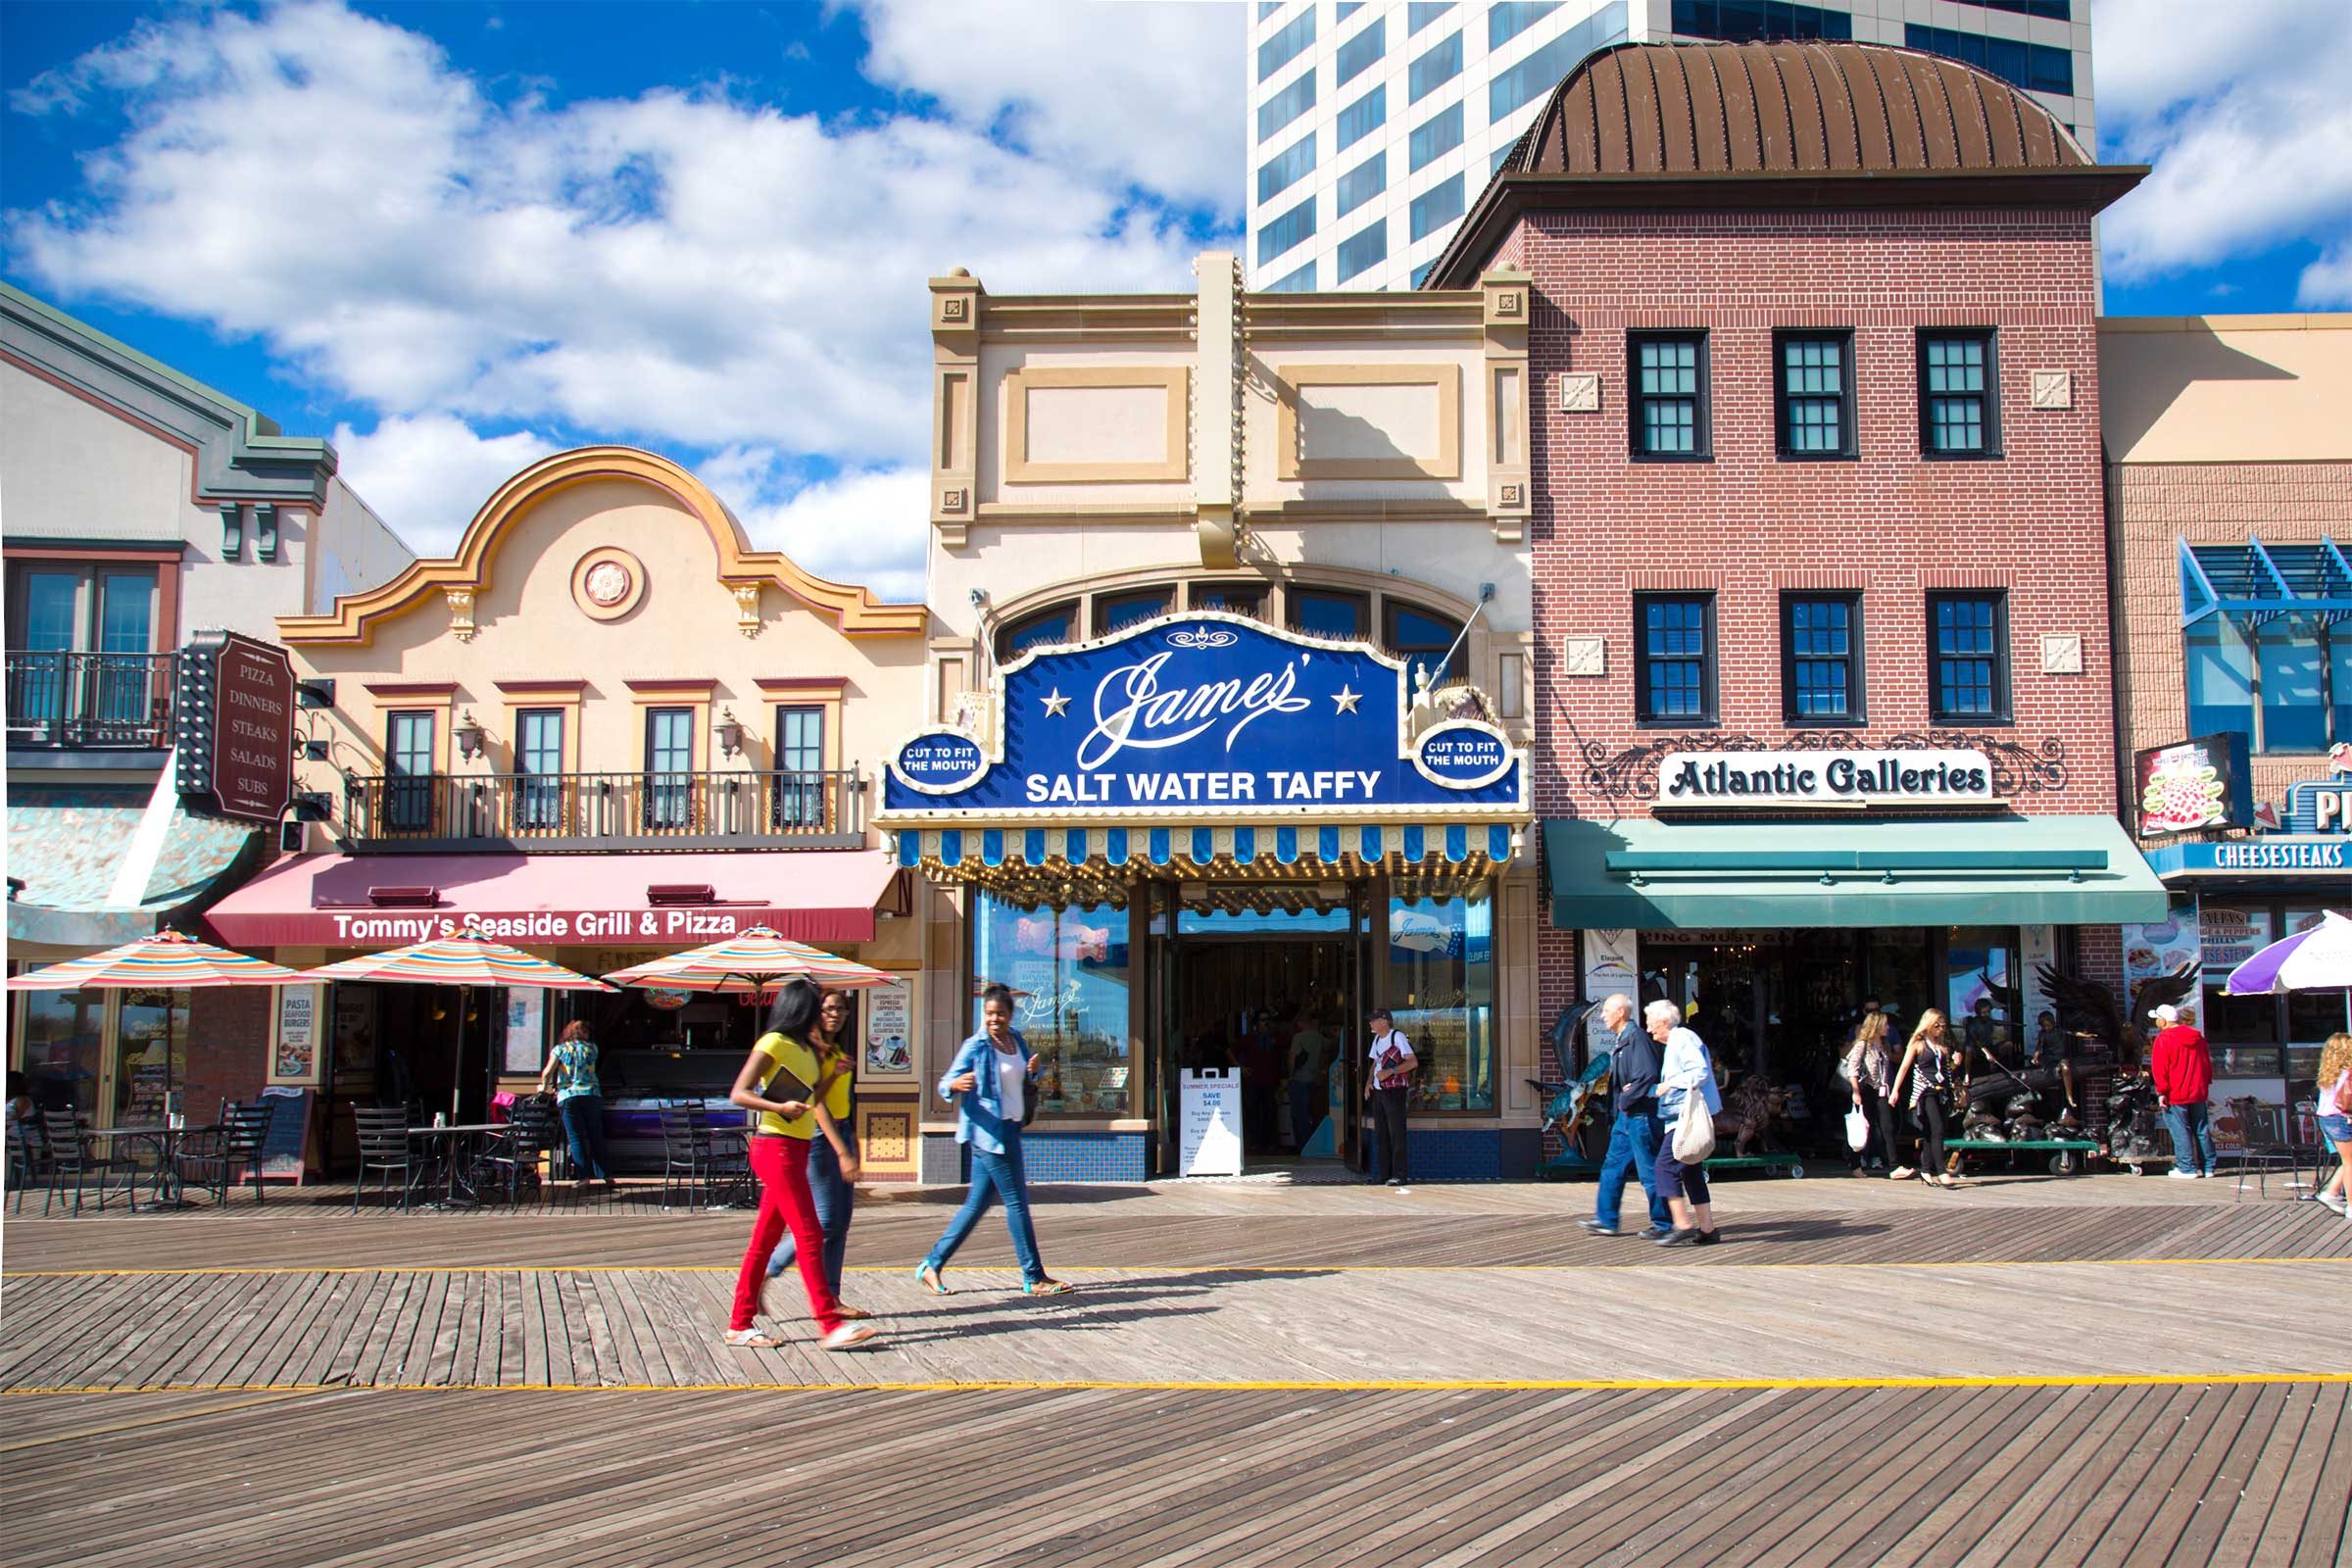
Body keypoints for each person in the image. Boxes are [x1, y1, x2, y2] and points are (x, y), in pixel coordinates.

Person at [723, 980, 876, 1351]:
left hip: (797, 1146)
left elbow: (810, 1099)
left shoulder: (806, 1049)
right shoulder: (772, 1043)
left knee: (764, 1240)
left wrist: (833, 1076)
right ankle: (829, 1323)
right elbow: (739, 1093)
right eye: (816, 1007)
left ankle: (739, 1324)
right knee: (809, 1232)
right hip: (774, 1146)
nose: (825, 1014)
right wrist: (777, 1108)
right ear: (800, 1009)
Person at [915, 983, 1073, 1298]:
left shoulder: (1017, 1041)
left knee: (976, 1205)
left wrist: (1034, 1071)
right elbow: (945, 1083)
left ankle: (931, 1264)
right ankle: (1034, 1277)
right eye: (989, 1014)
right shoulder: (976, 1046)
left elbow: (1028, 1077)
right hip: (989, 1133)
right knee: (1017, 1203)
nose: (994, 1019)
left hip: (1011, 1130)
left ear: (1010, 1015)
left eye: (1000, 1013)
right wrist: (955, 1084)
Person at [766, 988, 865, 1312]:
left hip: (843, 1131)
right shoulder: (812, 1051)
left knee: (841, 1221)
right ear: (815, 1013)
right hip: (823, 1138)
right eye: (828, 1009)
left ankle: (832, 1295)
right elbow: (816, 1104)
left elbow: (841, 1102)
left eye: (841, 1009)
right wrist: (842, 1151)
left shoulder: (834, 1050)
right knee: (823, 1220)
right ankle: (770, 1267)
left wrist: (851, 1142)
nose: (835, 1014)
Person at [1580, 995, 1672, 1239]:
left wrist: (1624, 1100)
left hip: (1641, 1116)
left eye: (1606, 1010)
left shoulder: (1635, 1038)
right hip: (1626, 1117)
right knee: (1612, 1166)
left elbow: (1646, 1075)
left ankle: (1664, 1224)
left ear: (1620, 1012)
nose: (1602, 1015)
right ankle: (1606, 1220)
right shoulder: (1623, 1039)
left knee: (1649, 1171)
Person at [1648, 1000, 1722, 1247]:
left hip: (1685, 1118)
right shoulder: (1676, 1042)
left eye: (1651, 1024)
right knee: (1690, 1169)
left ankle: (1682, 1224)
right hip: (1681, 1117)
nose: (1649, 1030)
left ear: (1664, 1022)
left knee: (1664, 1167)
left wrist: (1670, 1084)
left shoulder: (1682, 1038)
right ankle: (1708, 1229)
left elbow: (1699, 1072)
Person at [1889, 1009, 1964, 1189]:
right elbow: (1904, 1067)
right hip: (1925, 1092)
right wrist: (1895, 1091)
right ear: (1928, 1025)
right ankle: (1941, 1171)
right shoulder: (1918, 1043)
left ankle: (1925, 1169)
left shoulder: (1941, 1045)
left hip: (1941, 1091)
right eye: (1936, 1026)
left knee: (1933, 1132)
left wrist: (1955, 1063)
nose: (1940, 1029)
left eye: (1943, 1026)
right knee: (1937, 1128)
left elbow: (1945, 1071)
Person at [537, 1021, 615, 1191]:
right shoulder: (592, 1048)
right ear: (583, 1033)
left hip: (569, 1095)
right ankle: (606, 1175)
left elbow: (547, 1071)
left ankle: (583, 1177)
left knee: (576, 1137)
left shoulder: (560, 1049)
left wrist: (544, 1087)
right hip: (591, 1094)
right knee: (595, 1135)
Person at [2148, 1003, 2217, 1179]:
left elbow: (2160, 1068)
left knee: (2180, 1130)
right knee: (2201, 1128)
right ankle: (2209, 1166)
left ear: (2163, 1021)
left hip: (2176, 1092)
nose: (2156, 1022)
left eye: (2157, 1019)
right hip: (2198, 1090)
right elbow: (2206, 1063)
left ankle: (2186, 1168)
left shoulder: (2164, 1039)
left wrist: (2161, 1091)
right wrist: (2205, 1083)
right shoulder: (2198, 1038)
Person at [1364, 1007, 1415, 1186]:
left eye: (1373, 1020)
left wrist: (1390, 1071)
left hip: (1394, 1092)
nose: (1370, 1023)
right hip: (1379, 1092)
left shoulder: (1397, 1037)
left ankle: (1399, 1175)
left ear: (1384, 1022)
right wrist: (1369, 1083)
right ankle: (1384, 1174)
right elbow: (1374, 1064)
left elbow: (1412, 1062)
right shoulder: (1377, 1039)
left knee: (1397, 1133)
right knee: (1382, 1134)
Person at [1843, 1010, 1897, 1174]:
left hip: (1880, 1090)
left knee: (1887, 1126)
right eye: (1885, 1024)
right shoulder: (1863, 1045)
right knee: (1863, 1127)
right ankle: (1855, 1163)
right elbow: (1852, 1068)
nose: (1887, 1028)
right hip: (1866, 1090)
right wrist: (1855, 1091)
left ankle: (1894, 1165)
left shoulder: (1882, 1045)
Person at [2312, 1031, 2351, 1216]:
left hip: (2325, 1119)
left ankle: (2332, 1192)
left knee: (2348, 1162)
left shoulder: (2327, 1073)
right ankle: (2348, 1203)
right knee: (2350, 1163)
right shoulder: (2347, 1073)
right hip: (2341, 1117)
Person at [1287, 1011, 1328, 1152]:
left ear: (1300, 1023)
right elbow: (1330, 1046)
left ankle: (1303, 1146)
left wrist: (1290, 1075)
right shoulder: (1319, 1037)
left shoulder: (1298, 1037)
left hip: (1299, 1080)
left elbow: (1293, 1058)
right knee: (1312, 1113)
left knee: (1299, 1115)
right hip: (1313, 1080)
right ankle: (1313, 1144)